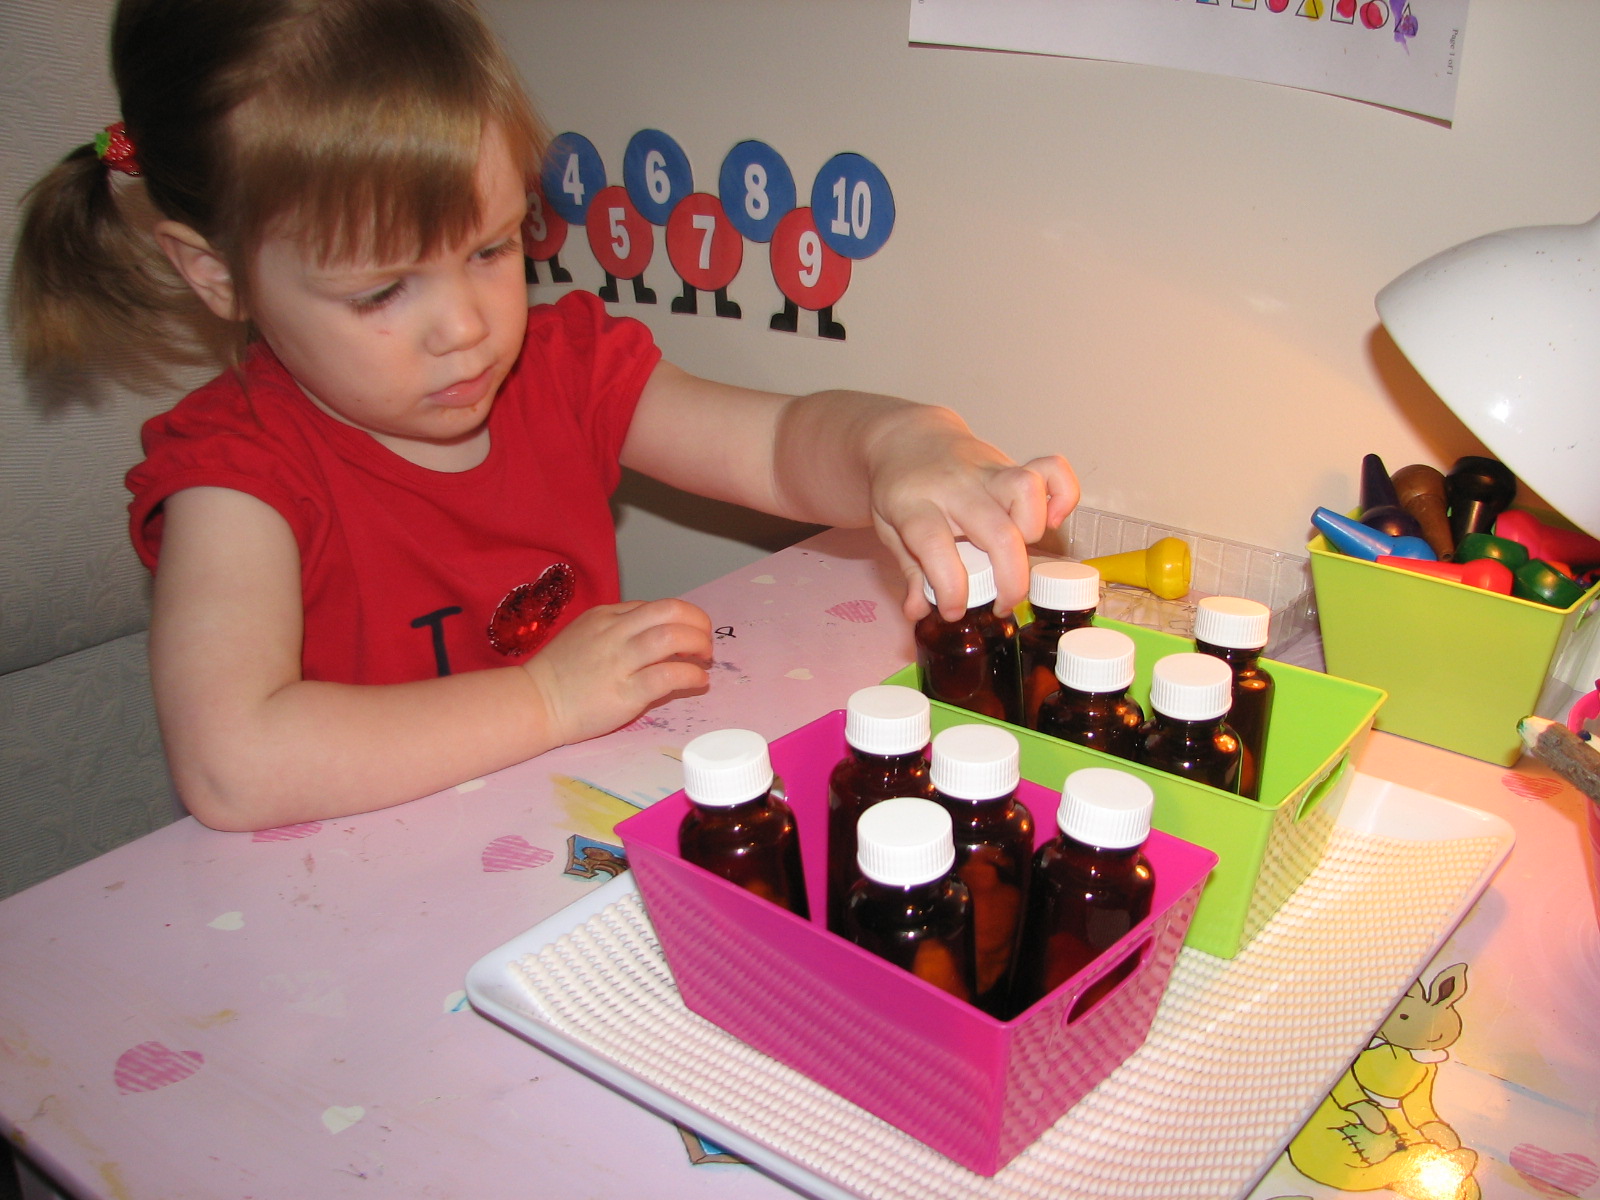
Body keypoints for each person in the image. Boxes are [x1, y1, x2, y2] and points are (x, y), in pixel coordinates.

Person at [9, 0, 1078, 833]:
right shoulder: (234, 473)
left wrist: (900, 444)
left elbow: (773, 446)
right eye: (381, 292)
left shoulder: (557, 368)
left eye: (490, 248)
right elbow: (233, 766)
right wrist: (543, 702)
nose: (465, 328)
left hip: (568, 840)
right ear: (216, 274)